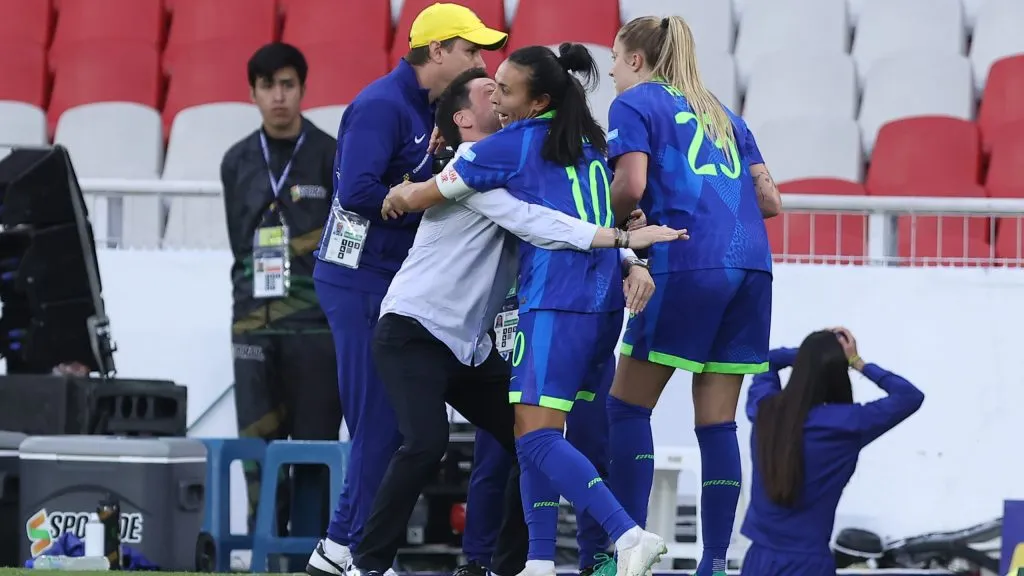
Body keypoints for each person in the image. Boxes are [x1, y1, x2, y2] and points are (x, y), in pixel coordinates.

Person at [348, 67, 685, 576]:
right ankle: (365, 566)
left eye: (505, 89)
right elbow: (539, 223)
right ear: (463, 118)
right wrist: (622, 244)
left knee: (526, 439)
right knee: (428, 442)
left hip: (467, 346)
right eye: (490, 92)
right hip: (413, 329)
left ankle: (524, 564)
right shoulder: (473, 167)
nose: (499, 97)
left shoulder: (511, 164)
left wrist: (630, 259)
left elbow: (560, 220)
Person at [306, 5, 508, 575]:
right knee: (381, 420)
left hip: (393, 282)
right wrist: (428, 197)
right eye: (472, 51)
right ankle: (350, 548)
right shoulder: (380, 106)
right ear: (438, 51)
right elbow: (358, 192)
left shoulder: (433, 110)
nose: (482, 61)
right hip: (359, 279)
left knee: (390, 423)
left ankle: (342, 547)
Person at [602, 15, 784, 576]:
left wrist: (607, 225)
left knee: (626, 406)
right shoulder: (724, 113)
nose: (610, 70)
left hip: (687, 259)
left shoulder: (634, 104)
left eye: (614, 57)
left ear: (636, 60)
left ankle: (629, 555)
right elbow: (770, 201)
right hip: (752, 268)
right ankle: (713, 564)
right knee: (718, 423)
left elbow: (630, 185)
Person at [220, 42, 342, 542]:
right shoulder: (236, 161)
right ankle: (263, 550)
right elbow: (237, 240)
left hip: (316, 327)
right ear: (252, 93)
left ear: (303, 89)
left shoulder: (330, 154)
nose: (279, 96)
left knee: (313, 452)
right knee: (258, 447)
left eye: (288, 85)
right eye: (268, 86)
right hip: (253, 325)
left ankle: (308, 556)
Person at [742, 328, 925, 576]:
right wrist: (855, 361)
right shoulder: (848, 425)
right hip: (808, 565)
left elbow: (767, 360)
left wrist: (809, 356)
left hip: (758, 561)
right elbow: (909, 396)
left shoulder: (764, 411)